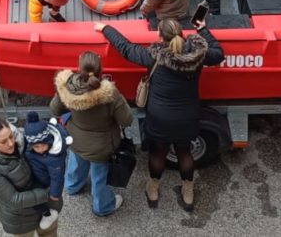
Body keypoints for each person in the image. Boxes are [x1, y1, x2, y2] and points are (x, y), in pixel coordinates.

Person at [96, 16, 224, 211]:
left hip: (160, 117)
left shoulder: (154, 56)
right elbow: (219, 53)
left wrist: (106, 28)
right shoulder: (198, 55)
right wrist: (203, 30)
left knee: (158, 153)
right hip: (187, 115)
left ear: (160, 36)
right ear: (181, 33)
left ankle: (153, 189)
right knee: (184, 152)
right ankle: (188, 192)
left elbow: (126, 48)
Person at [50, 51, 133, 217]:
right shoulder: (110, 94)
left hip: (75, 139)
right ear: (101, 71)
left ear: (79, 68)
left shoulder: (66, 87)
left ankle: (72, 186)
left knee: (76, 163)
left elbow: (55, 110)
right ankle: (103, 206)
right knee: (99, 177)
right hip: (102, 146)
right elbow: (127, 120)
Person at [0, 114, 60, 236]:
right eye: (3, 142)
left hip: (46, 208)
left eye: (11, 136)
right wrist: (49, 193)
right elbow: (14, 199)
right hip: (22, 219)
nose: (11, 143)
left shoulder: (25, 138)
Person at [22, 111, 69, 231]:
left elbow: (57, 176)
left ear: (48, 140)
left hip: (44, 181)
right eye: (36, 147)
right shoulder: (29, 146)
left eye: (43, 145)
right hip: (34, 175)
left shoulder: (55, 157)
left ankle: (47, 214)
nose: (40, 149)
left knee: (33, 200)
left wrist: (55, 193)